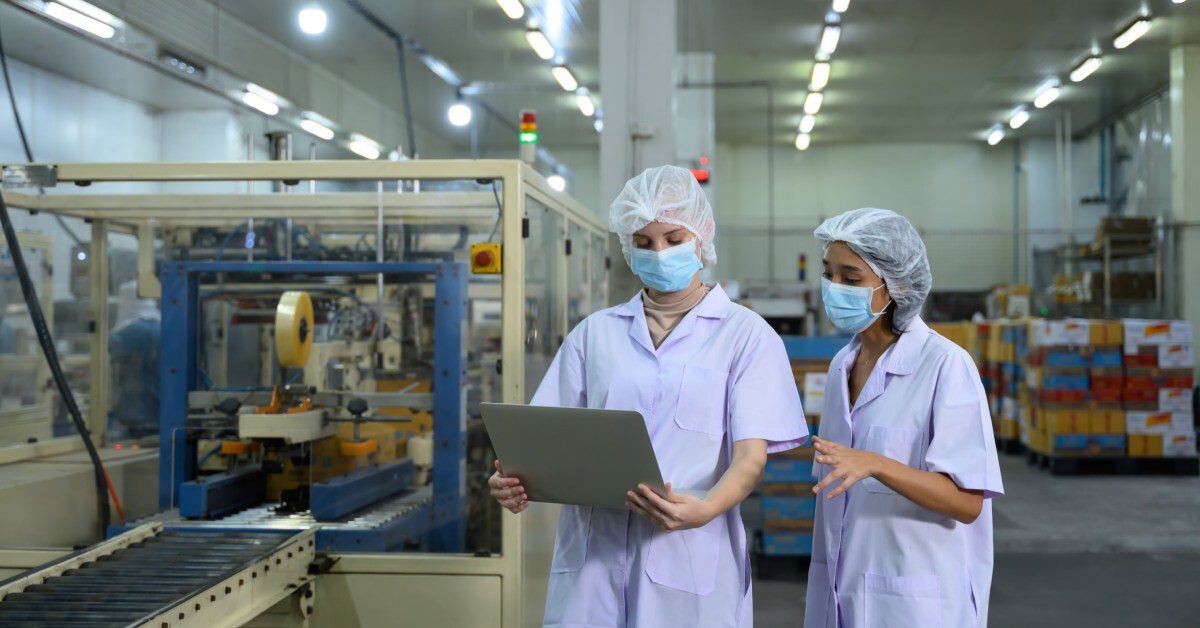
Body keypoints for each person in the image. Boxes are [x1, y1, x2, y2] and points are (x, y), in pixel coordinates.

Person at [488, 165, 809, 627]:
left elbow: (749, 458)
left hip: (688, 555)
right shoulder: (594, 335)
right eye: (643, 242)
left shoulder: (746, 336)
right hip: (593, 558)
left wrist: (707, 509)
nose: (659, 253)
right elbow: (542, 439)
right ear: (628, 248)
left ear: (701, 238)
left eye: (673, 239)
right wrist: (512, 481)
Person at [803, 208, 1004, 627]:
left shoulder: (945, 366)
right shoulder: (843, 364)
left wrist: (876, 463)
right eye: (828, 274)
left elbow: (967, 502)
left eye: (851, 279)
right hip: (844, 595)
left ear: (897, 286)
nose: (833, 289)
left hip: (914, 602)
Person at [108, 280, 161, 440]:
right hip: (162, 415)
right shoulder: (163, 326)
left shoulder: (128, 333)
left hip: (137, 416)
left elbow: (117, 370)